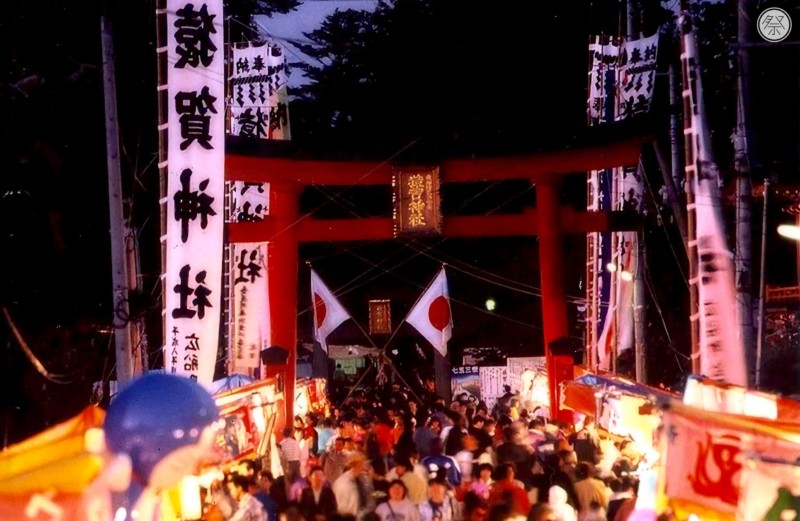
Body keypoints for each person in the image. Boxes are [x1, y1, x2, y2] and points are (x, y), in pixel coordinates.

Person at [333, 452, 373, 517]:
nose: (365, 467)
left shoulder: (366, 480)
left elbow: (370, 498)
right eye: (362, 464)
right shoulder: (342, 482)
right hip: (348, 517)